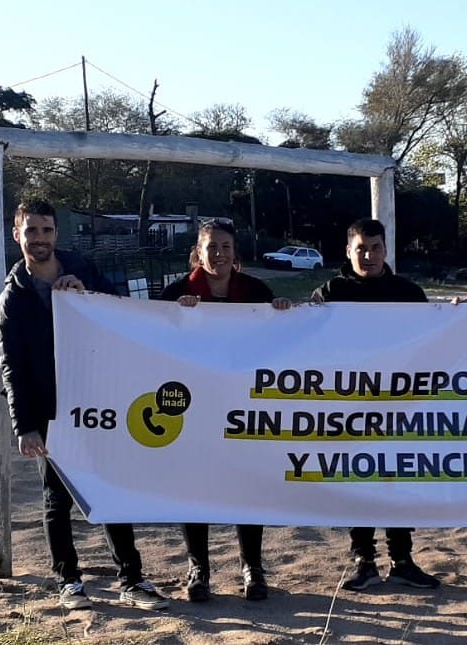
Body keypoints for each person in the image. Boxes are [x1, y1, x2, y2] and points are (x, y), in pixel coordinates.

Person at [0, 200, 169, 611]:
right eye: (31, 231)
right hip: (48, 410)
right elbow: (12, 367)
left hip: (96, 401)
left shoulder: (83, 268)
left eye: (47, 230)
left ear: (57, 234)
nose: (40, 239)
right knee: (57, 499)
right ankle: (69, 581)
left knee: (109, 490)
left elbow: (120, 307)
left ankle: (132, 579)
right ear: (16, 234)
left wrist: (86, 294)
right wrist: (25, 427)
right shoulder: (13, 300)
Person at [158, 217, 292, 603]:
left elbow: (284, 334)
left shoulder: (255, 290)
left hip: (244, 403)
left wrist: (280, 309)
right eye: (211, 247)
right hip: (192, 404)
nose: (218, 254)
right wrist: (176, 316)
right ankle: (198, 566)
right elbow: (152, 340)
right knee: (195, 484)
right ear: (197, 253)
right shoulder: (176, 293)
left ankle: (252, 565)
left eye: (225, 247)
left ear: (236, 254)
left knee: (245, 484)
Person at [310, 217, 442, 592]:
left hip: (401, 405)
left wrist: (457, 314)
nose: (368, 256)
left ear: (386, 249)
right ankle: (362, 560)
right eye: (360, 249)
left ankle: (402, 559)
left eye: (375, 248)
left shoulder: (409, 293)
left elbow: (437, 338)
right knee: (359, 479)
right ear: (348, 251)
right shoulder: (329, 293)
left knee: (397, 478)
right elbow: (305, 341)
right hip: (348, 406)